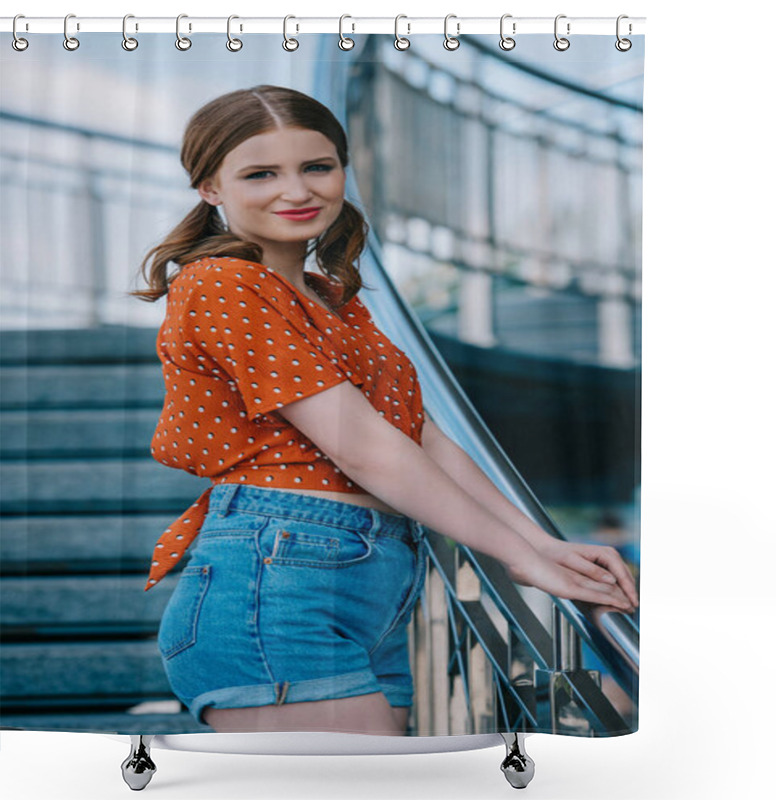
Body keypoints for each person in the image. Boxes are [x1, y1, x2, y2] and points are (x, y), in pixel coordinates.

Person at [133, 85, 638, 737]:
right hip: (279, 580)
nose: (297, 190)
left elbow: (418, 435)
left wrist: (535, 542)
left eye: (317, 167)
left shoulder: (330, 297)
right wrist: (520, 556)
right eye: (261, 173)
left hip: (364, 583)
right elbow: (360, 446)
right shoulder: (223, 283)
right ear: (210, 188)